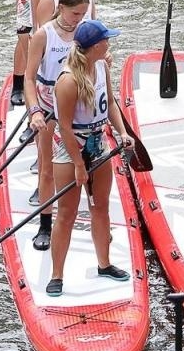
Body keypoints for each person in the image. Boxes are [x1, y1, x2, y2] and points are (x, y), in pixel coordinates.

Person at [48, 19, 136, 297]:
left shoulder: (101, 66)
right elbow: (63, 126)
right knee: (67, 213)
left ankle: (104, 264)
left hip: (98, 143)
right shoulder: (68, 80)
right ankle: (57, 275)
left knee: (100, 207)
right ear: (96, 45)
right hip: (70, 147)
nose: (109, 43)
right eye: (106, 40)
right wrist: (77, 165)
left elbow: (110, 102)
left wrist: (122, 132)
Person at [24, 0, 93, 251]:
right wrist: (35, 112)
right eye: (76, 14)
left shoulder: (84, 32)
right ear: (61, 8)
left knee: (86, 162)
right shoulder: (44, 35)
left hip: (77, 100)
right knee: (47, 168)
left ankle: (95, 218)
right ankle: (44, 225)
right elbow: (29, 78)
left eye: (84, 14)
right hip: (48, 101)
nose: (80, 19)